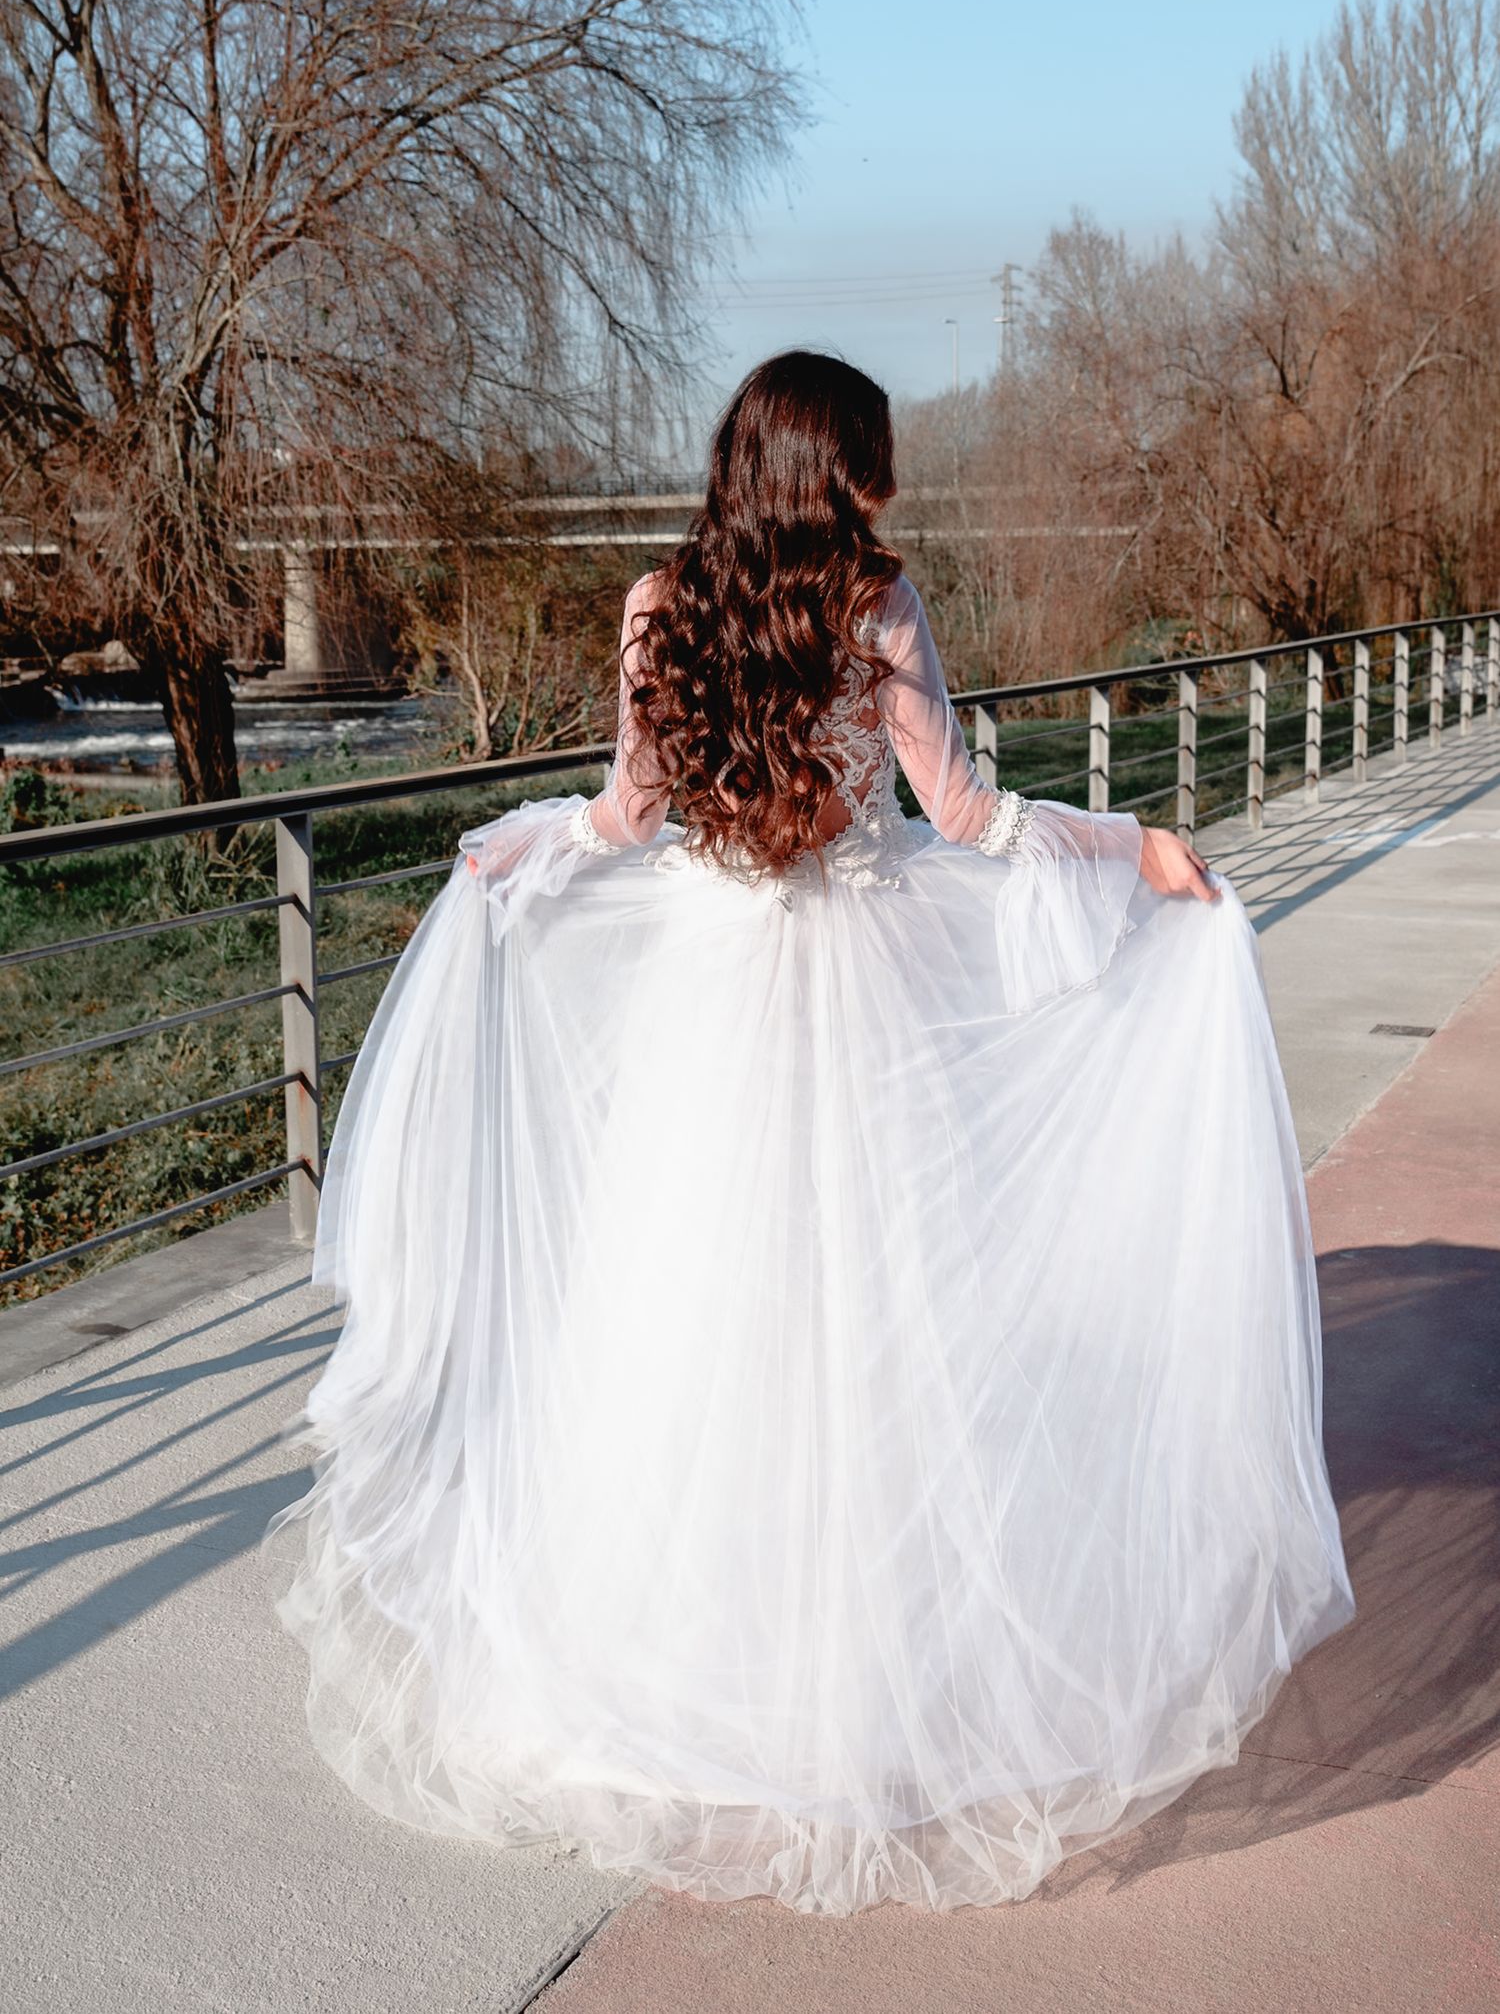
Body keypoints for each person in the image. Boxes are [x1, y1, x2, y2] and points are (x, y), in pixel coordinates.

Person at [264, 351, 1353, 1916]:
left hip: (706, 993)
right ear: (832, 469)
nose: (887, 490)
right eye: (873, 463)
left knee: (691, 1320)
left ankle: (688, 1657)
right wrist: (1143, 851)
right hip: (865, 988)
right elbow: (966, 812)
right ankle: (868, 1675)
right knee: (882, 1328)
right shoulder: (877, 603)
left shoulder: (659, 603)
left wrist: (523, 854)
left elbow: (627, 815)